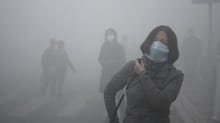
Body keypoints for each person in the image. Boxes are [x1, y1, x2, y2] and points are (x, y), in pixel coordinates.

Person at [104, 25, 184, 123]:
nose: (157, 45)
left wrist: (142, 74)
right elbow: (108, 91)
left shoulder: (175, 75)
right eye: (155, 40)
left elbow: (160, 103)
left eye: (163, 42)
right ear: (149, 42)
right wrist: (113, 120)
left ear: (171, 48)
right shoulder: (132, 66)